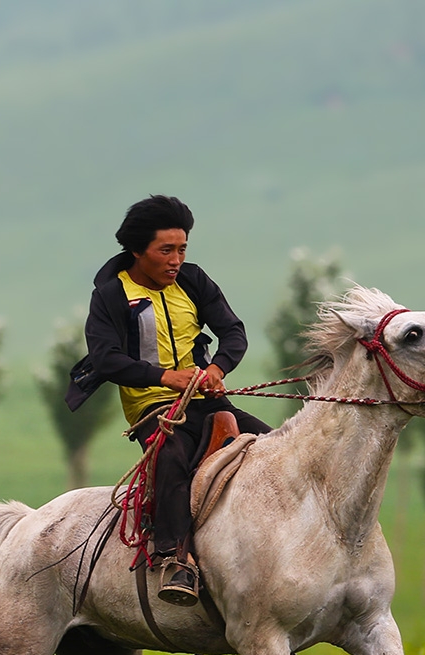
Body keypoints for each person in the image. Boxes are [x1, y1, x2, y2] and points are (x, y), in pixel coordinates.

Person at [65, 195, 271, 606]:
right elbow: (106, 359)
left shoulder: (194, 281)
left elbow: (233, 332)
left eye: (182, 249)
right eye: (166, 250)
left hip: (206, 398)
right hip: (152, 409)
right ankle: (174, 558)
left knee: (271, 447)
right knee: (171, 457)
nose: (176, 259)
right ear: (138, 251)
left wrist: (217, 370)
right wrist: (165, 378)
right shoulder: (110, 295)